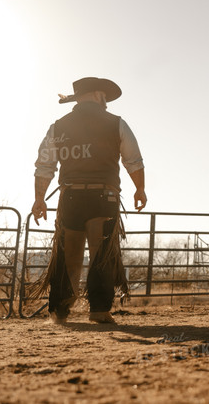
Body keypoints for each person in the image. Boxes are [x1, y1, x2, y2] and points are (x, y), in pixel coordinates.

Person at [31, 77, 146, 324]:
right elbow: (133, 160)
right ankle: (100, 310)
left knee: (67, 252)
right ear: (97, 95)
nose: (106, 100)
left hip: (70, 196)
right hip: (103, 196)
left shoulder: (58, 127)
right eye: (104, 95)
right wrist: (140, 189)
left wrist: (39, 199)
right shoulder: (116, 123)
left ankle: (60, 310)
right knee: (101, 251)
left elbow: (44, 165)